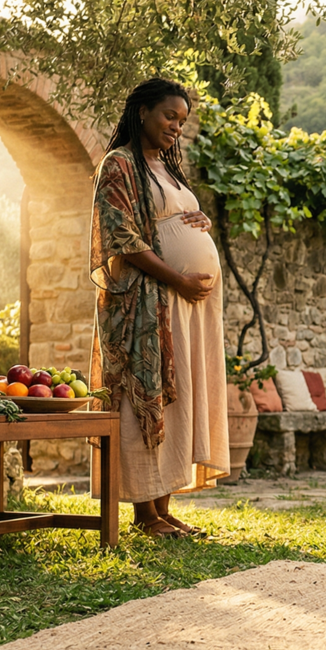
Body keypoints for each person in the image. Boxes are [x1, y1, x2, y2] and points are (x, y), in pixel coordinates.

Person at [90, 78, 230, 538]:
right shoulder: (119, 164)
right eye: (170, 116)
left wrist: (200, 223)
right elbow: (121, 236)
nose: (176, 127)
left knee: (178, 395)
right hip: (148, 302)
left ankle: (164, 508)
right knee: (146, 396)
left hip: (186, 304)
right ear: (143, 112)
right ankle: (145, 514)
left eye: (182, 121)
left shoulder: (166, 168)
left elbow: (171, 221)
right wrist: (178, 279)